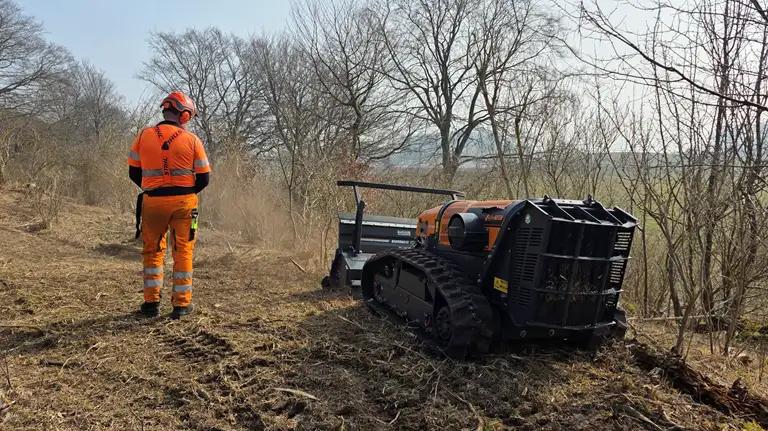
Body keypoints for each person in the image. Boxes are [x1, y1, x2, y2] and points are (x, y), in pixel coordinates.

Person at [127, 91, 211, 319]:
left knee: (152, 252)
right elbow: (204, 179)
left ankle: (151, 304)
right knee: (183, 251)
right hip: (184, 203)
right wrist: (184, 193)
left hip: (152, 202)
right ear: (183, 115)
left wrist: (152, 188)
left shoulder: (143, 136)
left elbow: (133, 172)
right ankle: (181, 306)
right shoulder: (192, 140)